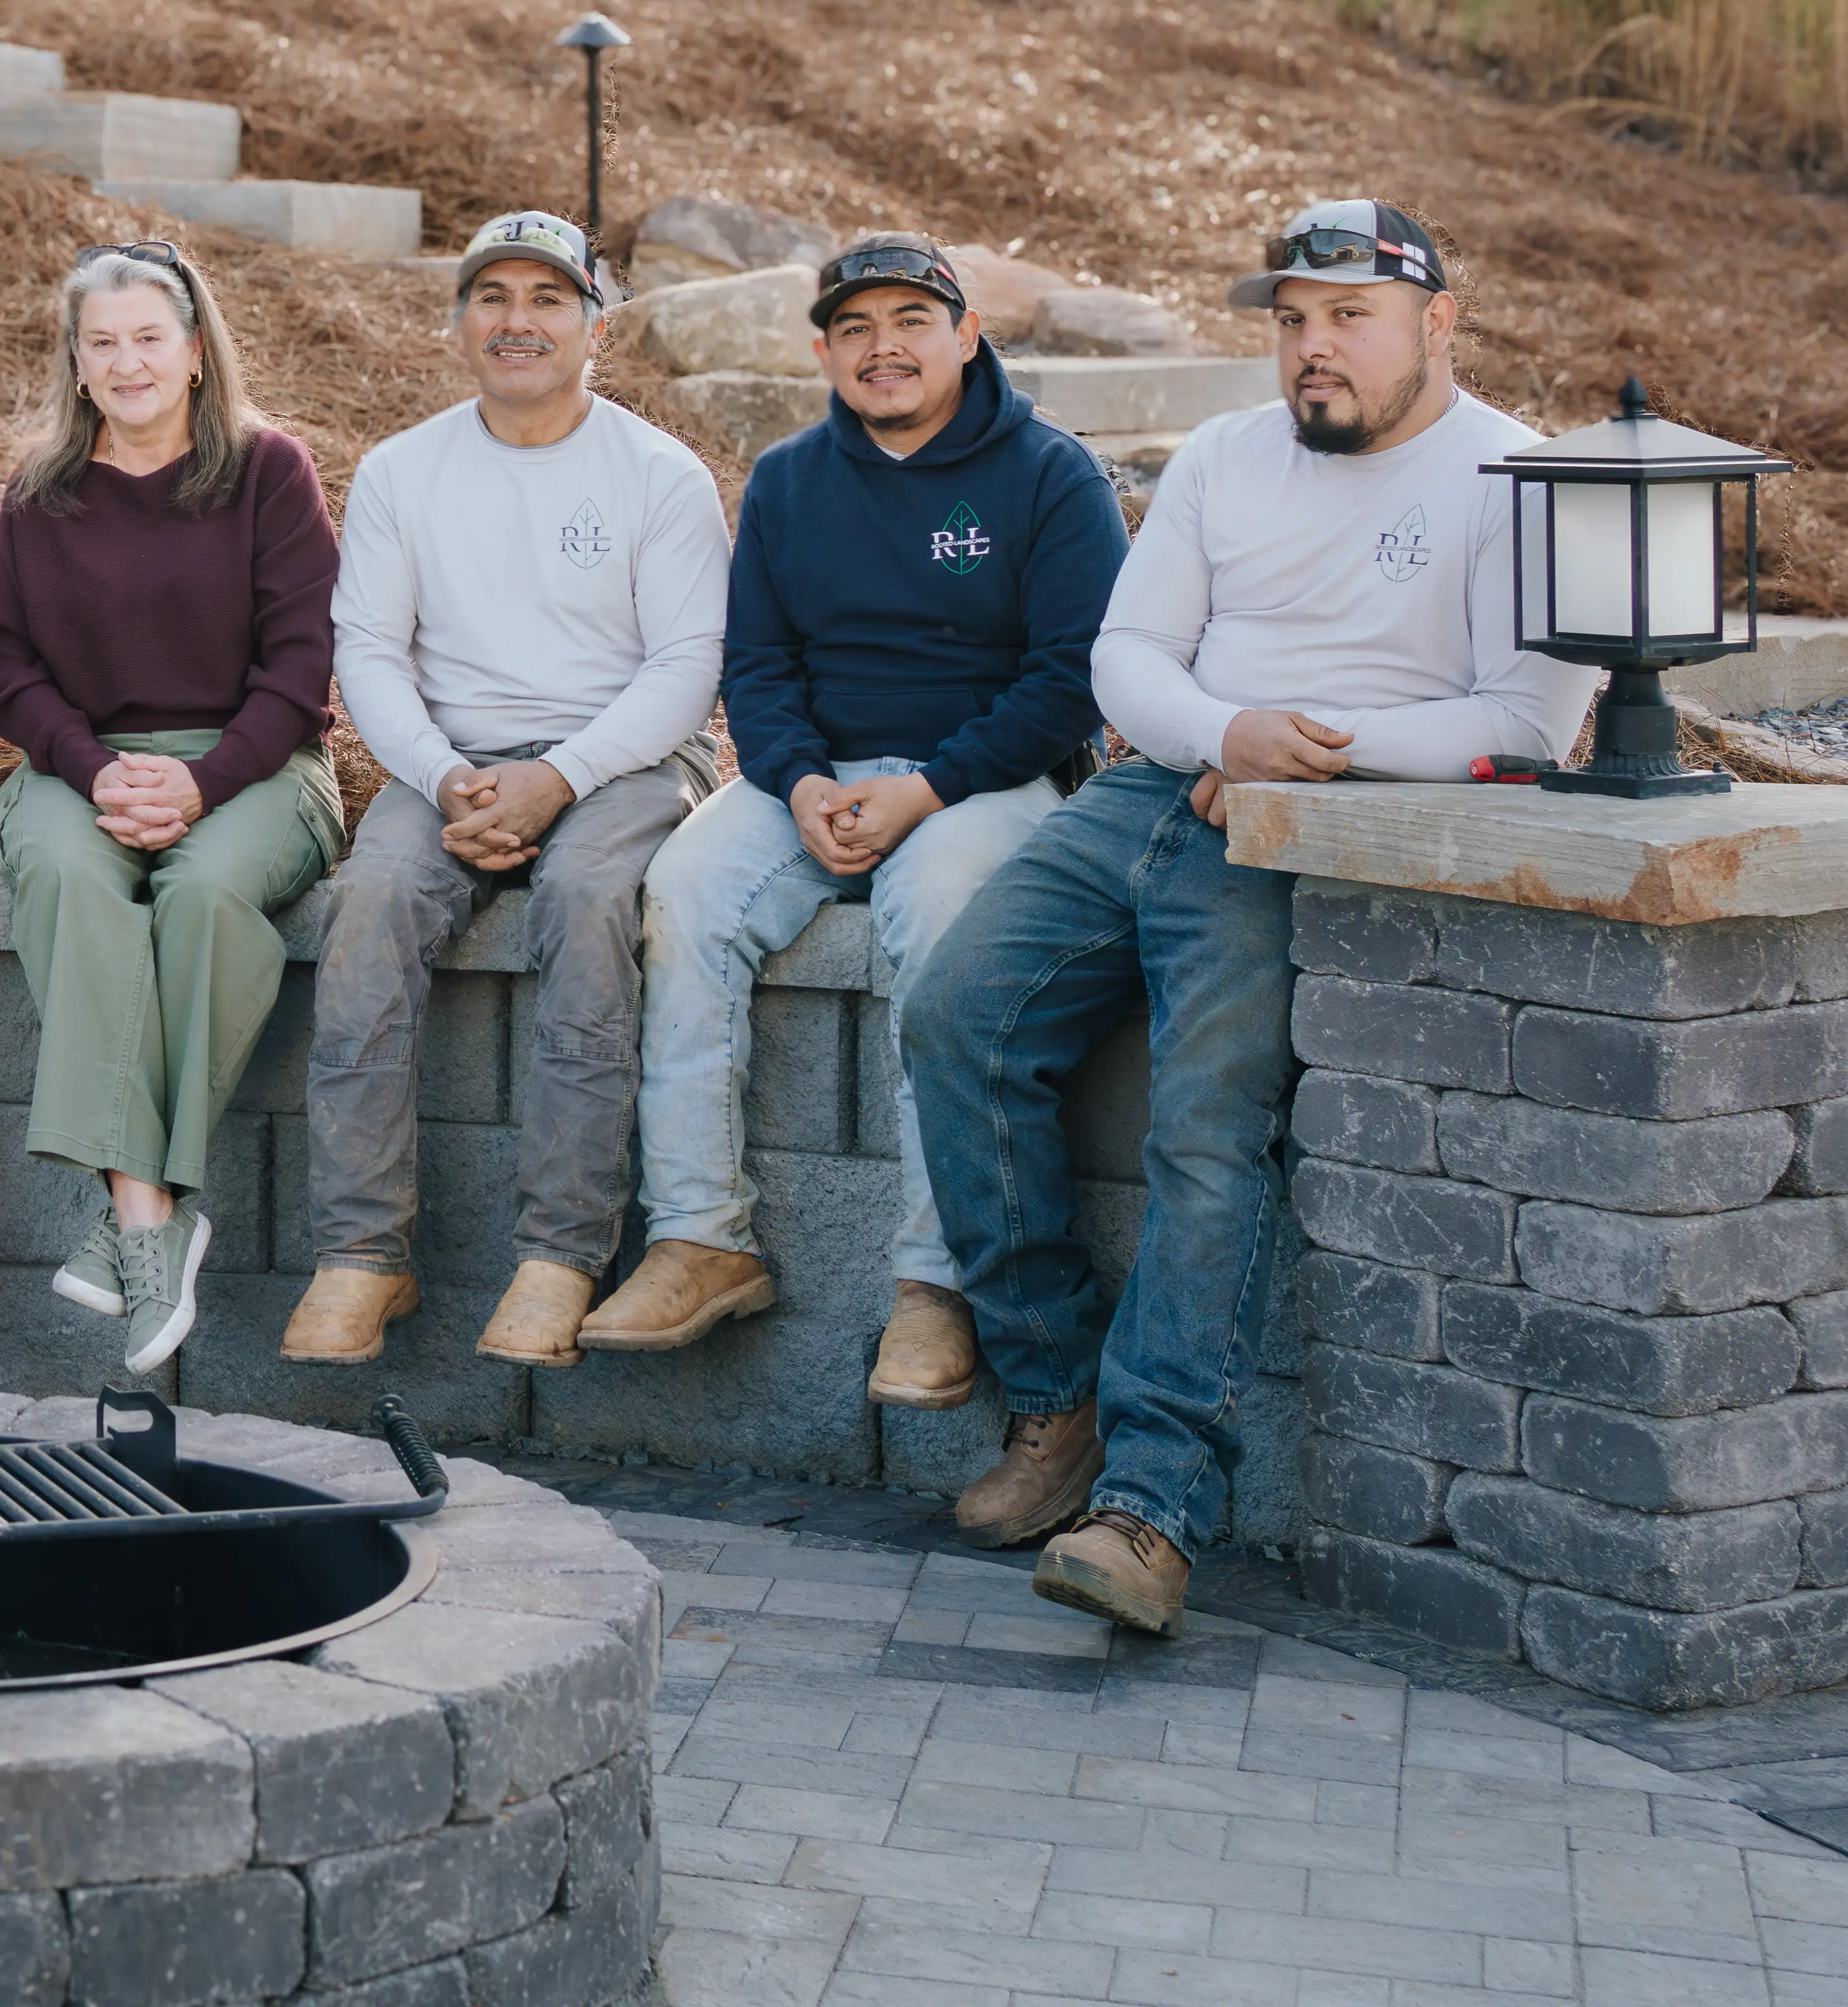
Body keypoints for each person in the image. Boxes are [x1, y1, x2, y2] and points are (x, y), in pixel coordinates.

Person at [907, 202, 1590, 1636]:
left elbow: (1528, 719)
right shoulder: (1225, 453)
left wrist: (1297, 750)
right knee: (954, 1014)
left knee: (1203, 1123)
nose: (1311, 347)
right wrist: (1226, 730)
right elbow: (1126, 655)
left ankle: (1151, 1507)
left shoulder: (1512, 477)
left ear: (1438, 322)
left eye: (1348, 315)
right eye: (1290, 318)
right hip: (1155, 791)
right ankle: (1056, 1400)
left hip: (1301, 828)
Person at [613, 234, 1124, 1403]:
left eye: (910, 321)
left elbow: (1074, 677)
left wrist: (927, 789)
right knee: (683, 897)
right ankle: (701, 1237)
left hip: (985, 781)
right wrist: (797, 783)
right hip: (816, 774)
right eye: (854, 328)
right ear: (823, 350)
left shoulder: (1050, 473)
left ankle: (933, 1284)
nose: (882, 348)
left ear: (965, 335)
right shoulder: (792, 479)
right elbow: (758, 666)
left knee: (943, 913)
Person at [288, 209, 729, 1371]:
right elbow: (370, 653)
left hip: (624, 759)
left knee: (587, 904)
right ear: (458, 320)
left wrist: (559, 777)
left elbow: (686, 669)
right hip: (452, 765)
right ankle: (360, 1255)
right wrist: (442, 777)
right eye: (493, 297)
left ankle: (562, 1254)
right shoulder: (403, 470)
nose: (517, 321)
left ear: (595, 324)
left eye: (547, 299)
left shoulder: (657, 475)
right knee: (368, 912)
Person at [0, 240, 344, 1376]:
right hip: (74, 770)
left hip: (259, 767)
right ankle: (147, 1215)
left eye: (150, 337)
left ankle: (139, 1212)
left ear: (194, 351)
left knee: (208, 892)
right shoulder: (42, 492)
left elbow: (302, 665)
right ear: (76, 365)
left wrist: (202, 780)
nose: (127, 361)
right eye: (104, 343)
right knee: (73, 879)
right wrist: (94, 772)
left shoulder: (267, 471)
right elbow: (9, 667)